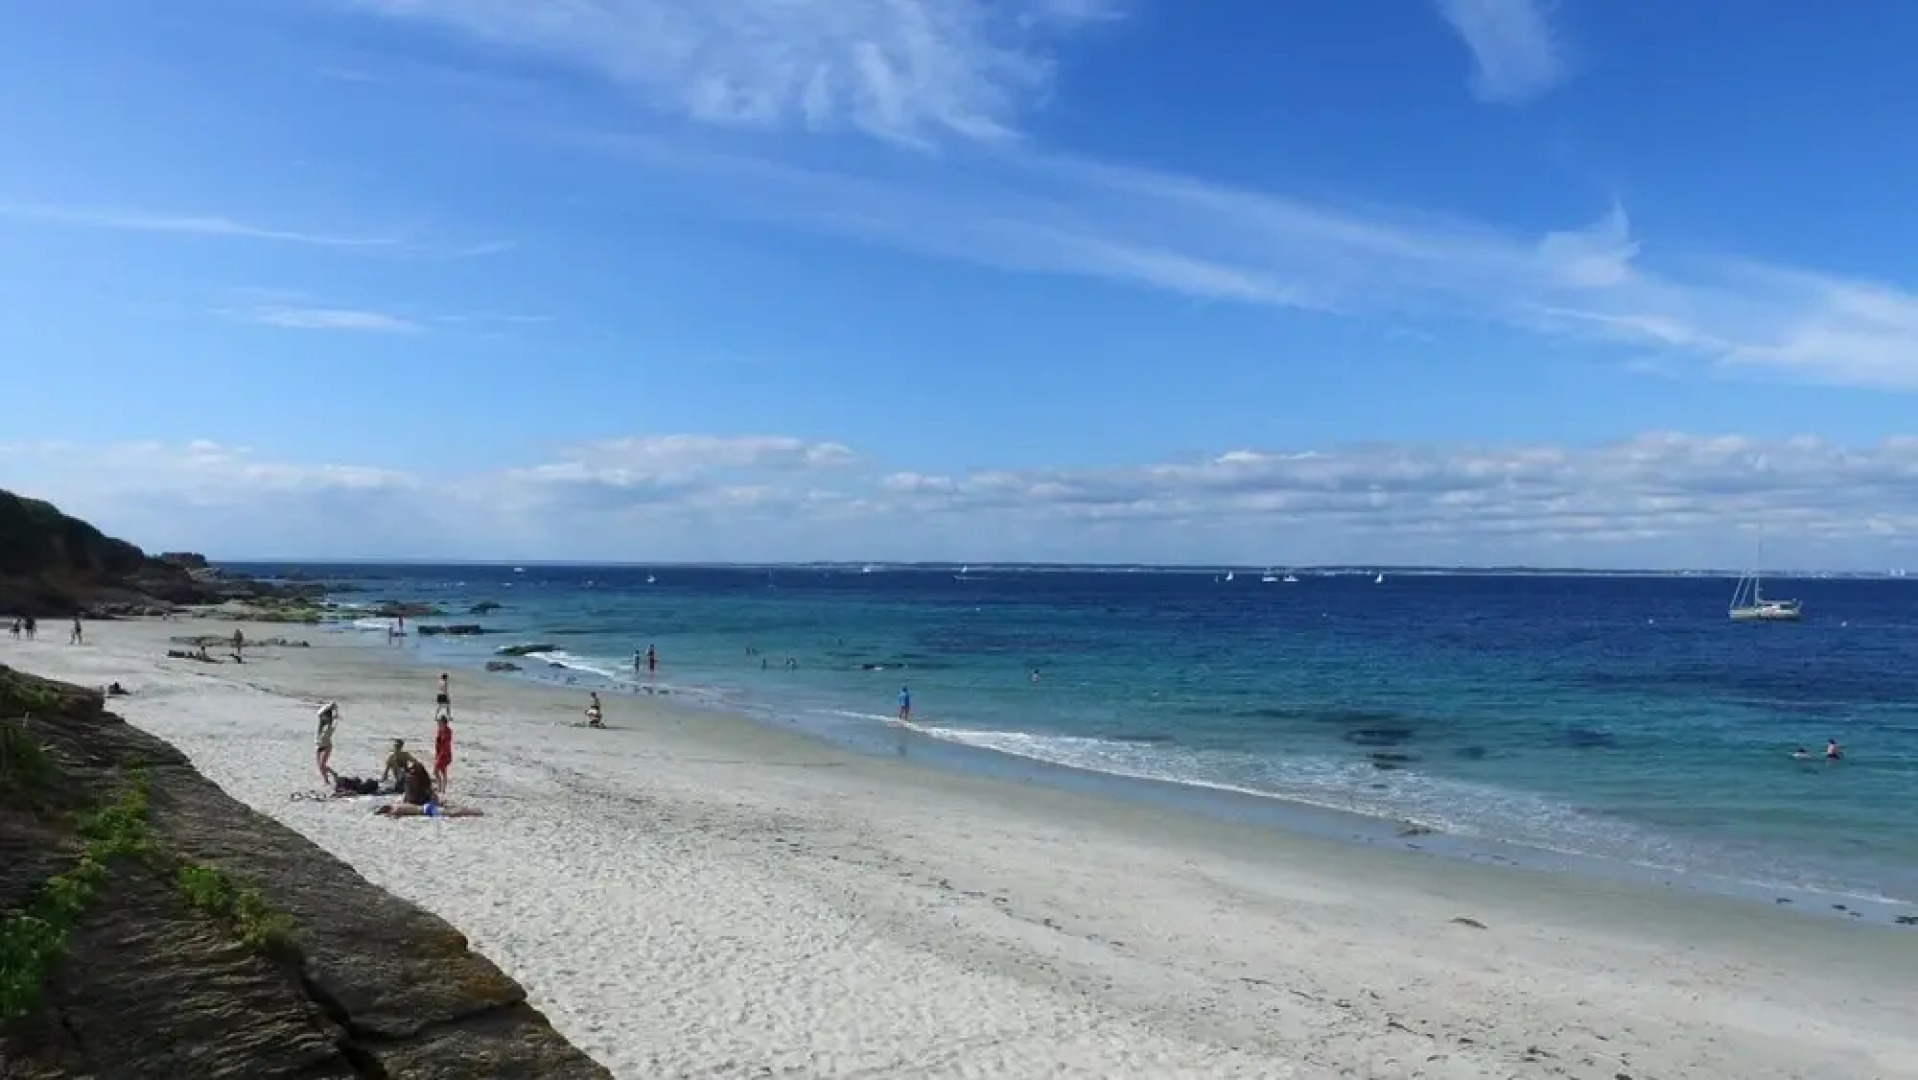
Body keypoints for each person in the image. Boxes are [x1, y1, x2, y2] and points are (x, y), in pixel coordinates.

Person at [316, 702, 340, 786]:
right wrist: (329, 706)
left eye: (325, 716)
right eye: (323, 716)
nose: (323, 717)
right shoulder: (321, 724)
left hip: (327, 747)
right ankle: (326, 780)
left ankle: (334, 774)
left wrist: (335, 708)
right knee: (320, 767)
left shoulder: (331, 725)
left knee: (322, 765)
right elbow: (319, 713)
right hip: (319, 746)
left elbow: (336, 717)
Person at [433, 715, 454, 791]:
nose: (438, 724)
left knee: (435, 771)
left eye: (440, 722)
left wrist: (440, 755)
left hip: (445, 754)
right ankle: (442, 788)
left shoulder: (448, 731)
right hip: (440, 754)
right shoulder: (440, 731)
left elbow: (445, 744)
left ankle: (440, 787)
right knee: (442, 771)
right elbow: (438, 743)